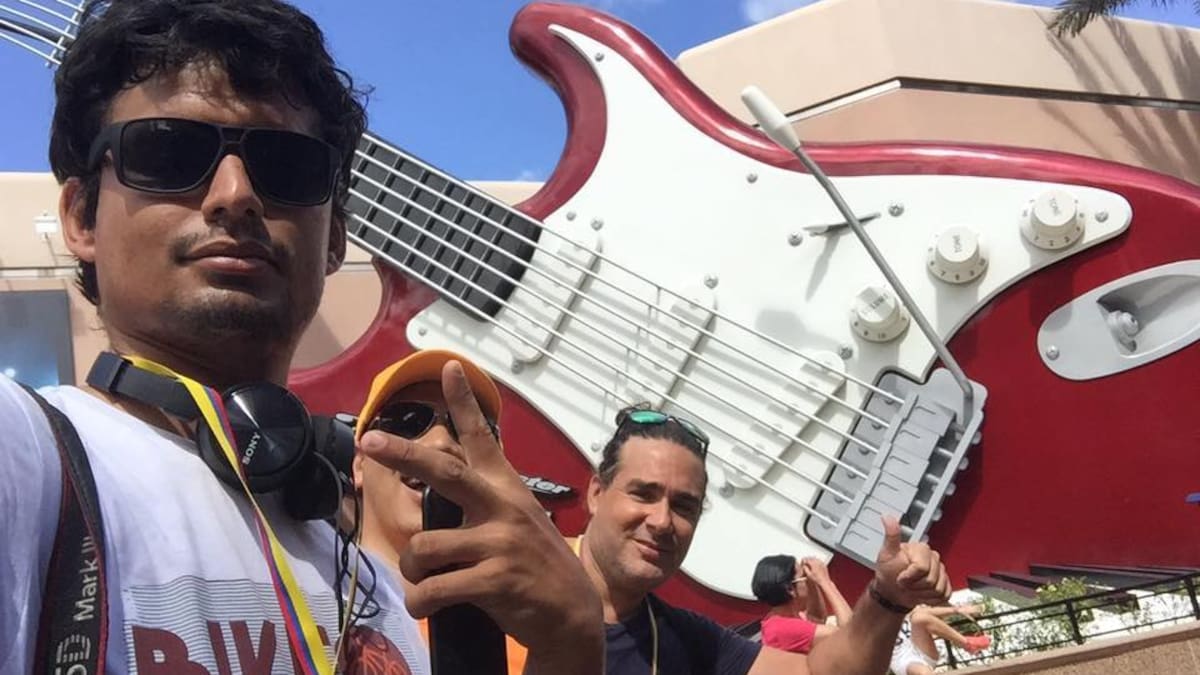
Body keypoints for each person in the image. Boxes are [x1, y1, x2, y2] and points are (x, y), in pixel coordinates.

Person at [0, 1, 602, 673]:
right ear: (81, 218)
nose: (236, 193)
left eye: (286, 166)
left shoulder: (375, 597)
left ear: (335, 240)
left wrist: (570, 646)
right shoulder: (27, 461)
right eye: (169, 152)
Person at [578, 405, 953, 674]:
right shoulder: (538, 586)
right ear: (596, 493)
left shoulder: (684, 639)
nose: (662, 521)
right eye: (643, 494)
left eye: (683, 506)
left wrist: (888, 596)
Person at [349, 348, 530, 674]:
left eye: (467, 430)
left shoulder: (528, 635)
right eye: (408, 420)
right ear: (360, 464)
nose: (441, 443)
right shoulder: (302, 591)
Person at [750, 555, 853, 653]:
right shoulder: (784, 629)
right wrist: (825, 581)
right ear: (790, 589)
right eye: (804, 577)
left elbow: (817, 619)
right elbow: (851, 634)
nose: (807, 579)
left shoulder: (781, 617)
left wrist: (811, 582)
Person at [889, 604, 990, 675]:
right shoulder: (880, 619)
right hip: (903, 660)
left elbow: (925, 612)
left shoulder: (898, 605)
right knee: (922, 672)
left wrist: (957, 610)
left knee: (919, 617)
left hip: (920, 645)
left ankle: (968, 643)